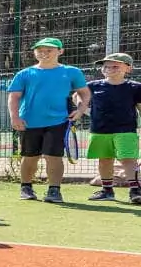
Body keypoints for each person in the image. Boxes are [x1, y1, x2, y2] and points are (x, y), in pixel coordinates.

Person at [8, 37, 90, 204]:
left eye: (49, 50)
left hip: (59, 121)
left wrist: (81, 110)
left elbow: (84, 93)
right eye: (40, 50)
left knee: (54, 157)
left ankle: (54, 190)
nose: (44, 53)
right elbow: (14, 97)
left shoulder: (72, 72)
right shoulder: (24, 74)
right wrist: (14, 116)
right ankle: (26, 187)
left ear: (60, 51)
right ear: (34, 52)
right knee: (30, 156)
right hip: (28, 122)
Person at [84, 52, 141, 202]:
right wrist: (84, 110)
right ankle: (107, 190)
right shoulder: (93, 86)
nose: (109, 69)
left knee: (129, 159)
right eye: (106, 66)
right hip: (100, 130)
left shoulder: (135, 87)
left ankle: (135, 191)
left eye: (115, 66)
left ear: (128, 68)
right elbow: (78, 96)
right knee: (104, 159)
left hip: (126, 130)